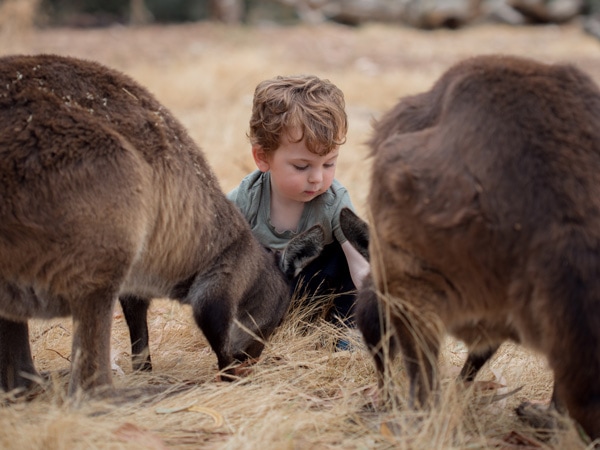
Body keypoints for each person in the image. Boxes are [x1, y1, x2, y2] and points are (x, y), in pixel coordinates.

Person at [227, 74, 369, 348]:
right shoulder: (245, 199)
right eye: (302, 166)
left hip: (318, 291)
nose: (317, 178)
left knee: (347, 256)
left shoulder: (333, 201)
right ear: (263, 157)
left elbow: (362, 268)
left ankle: (347, 338)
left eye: (329, 164)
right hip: (265, 294)